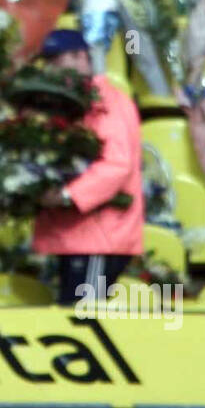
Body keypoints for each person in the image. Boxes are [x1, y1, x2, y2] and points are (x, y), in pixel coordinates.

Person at [32, 29, 143, 306]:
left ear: (82, 58)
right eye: (48, 62)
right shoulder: (63, 103)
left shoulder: (108, 103)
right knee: (72, 320)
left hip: (99, 237)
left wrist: (68, 194)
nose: (51, 68)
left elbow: (117, 165)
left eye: (58, 60)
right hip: (78, 237)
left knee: (83, 319)